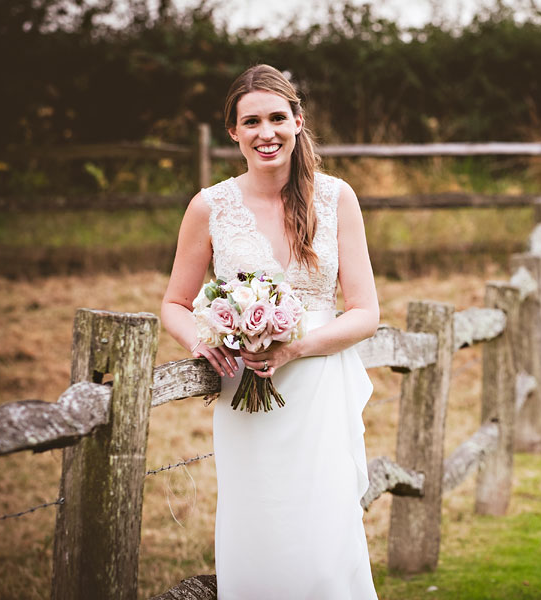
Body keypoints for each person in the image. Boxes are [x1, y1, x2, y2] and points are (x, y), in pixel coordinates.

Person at [161, 64, 379, 599]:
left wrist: (295, 347)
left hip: (319, 389)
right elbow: (174, 304)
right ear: (233, 132)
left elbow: (365, 311)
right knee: (258, 532)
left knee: (325, 541)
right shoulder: (209, 207)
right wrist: (204, 340)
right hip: (244, 398)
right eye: (251, 121)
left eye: (278, 118)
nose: (267, 133)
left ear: (298, 121)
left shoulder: (335, 199)